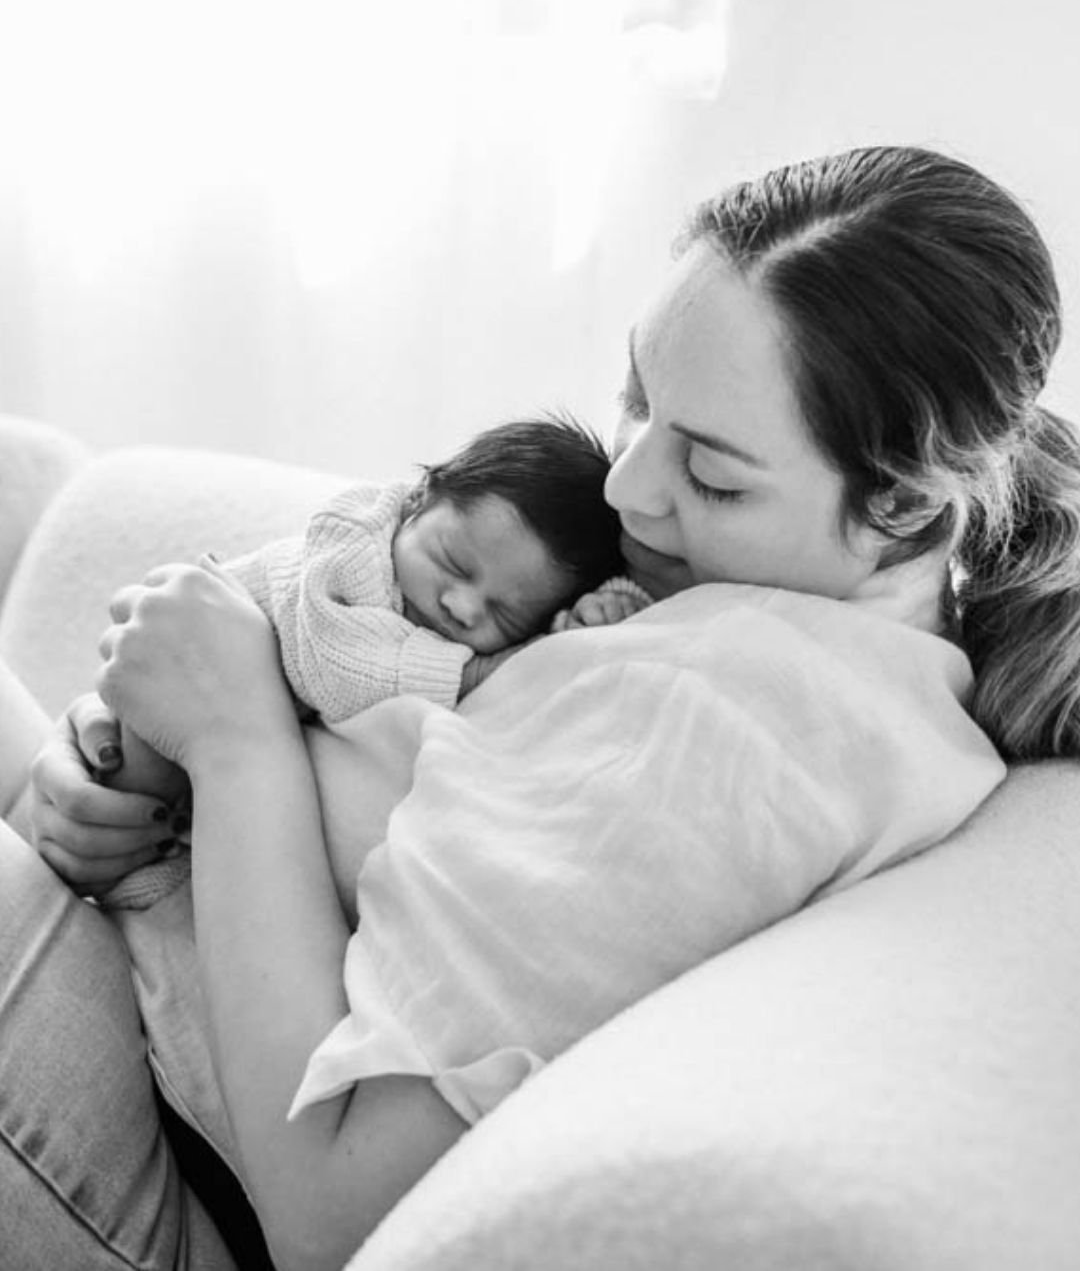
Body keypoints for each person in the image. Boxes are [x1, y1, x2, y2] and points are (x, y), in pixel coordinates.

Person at [4, 143, 1080, 1271]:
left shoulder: (729, 727)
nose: (626, 487)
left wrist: (234, 743)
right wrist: (136, 766)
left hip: (181, 1152)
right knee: (25, 470)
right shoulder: (743, 610)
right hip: (143, 924)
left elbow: (335, 1210)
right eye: (639, 400)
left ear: (906, 507)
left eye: (711, 475)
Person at [102, 413, 635, 848]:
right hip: (156, 689)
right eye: (452, 562)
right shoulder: (350, 547)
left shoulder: (432, 609)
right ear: (417, 501)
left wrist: (571, 631)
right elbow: (337, 675)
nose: (461, 606)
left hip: (206, 774)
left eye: (506, 615)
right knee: (123, 816)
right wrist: (493, 666)